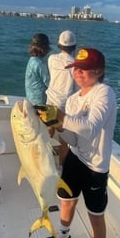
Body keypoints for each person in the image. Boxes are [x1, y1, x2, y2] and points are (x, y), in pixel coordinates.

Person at [36, 48, 117, 238]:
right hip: (75, 158)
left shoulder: (105, 93)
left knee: (95, 215)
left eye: (84, 70)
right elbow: (74, 139)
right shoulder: (72, 100)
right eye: (76, 70)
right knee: (67, 200)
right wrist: (58, 126)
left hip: (96, 167)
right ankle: (63, 236)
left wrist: (59, 116)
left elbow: (91, 128)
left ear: (98, 72)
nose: (78, 74)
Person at [46, 30, 77, 163]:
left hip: (50, 100)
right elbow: (77, 90)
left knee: (49, 130)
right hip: (64, 105)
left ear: (59, 45)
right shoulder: (76, 65)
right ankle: (61, 165)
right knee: (64, 139)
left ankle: (45, 159)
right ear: (74, 47)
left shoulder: (51, 59)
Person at [25, 33, 51, 104]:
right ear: (44, 48)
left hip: (30, 98)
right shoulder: (40, 64)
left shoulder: (32, 60)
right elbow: (48, 82)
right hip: (39, 101)